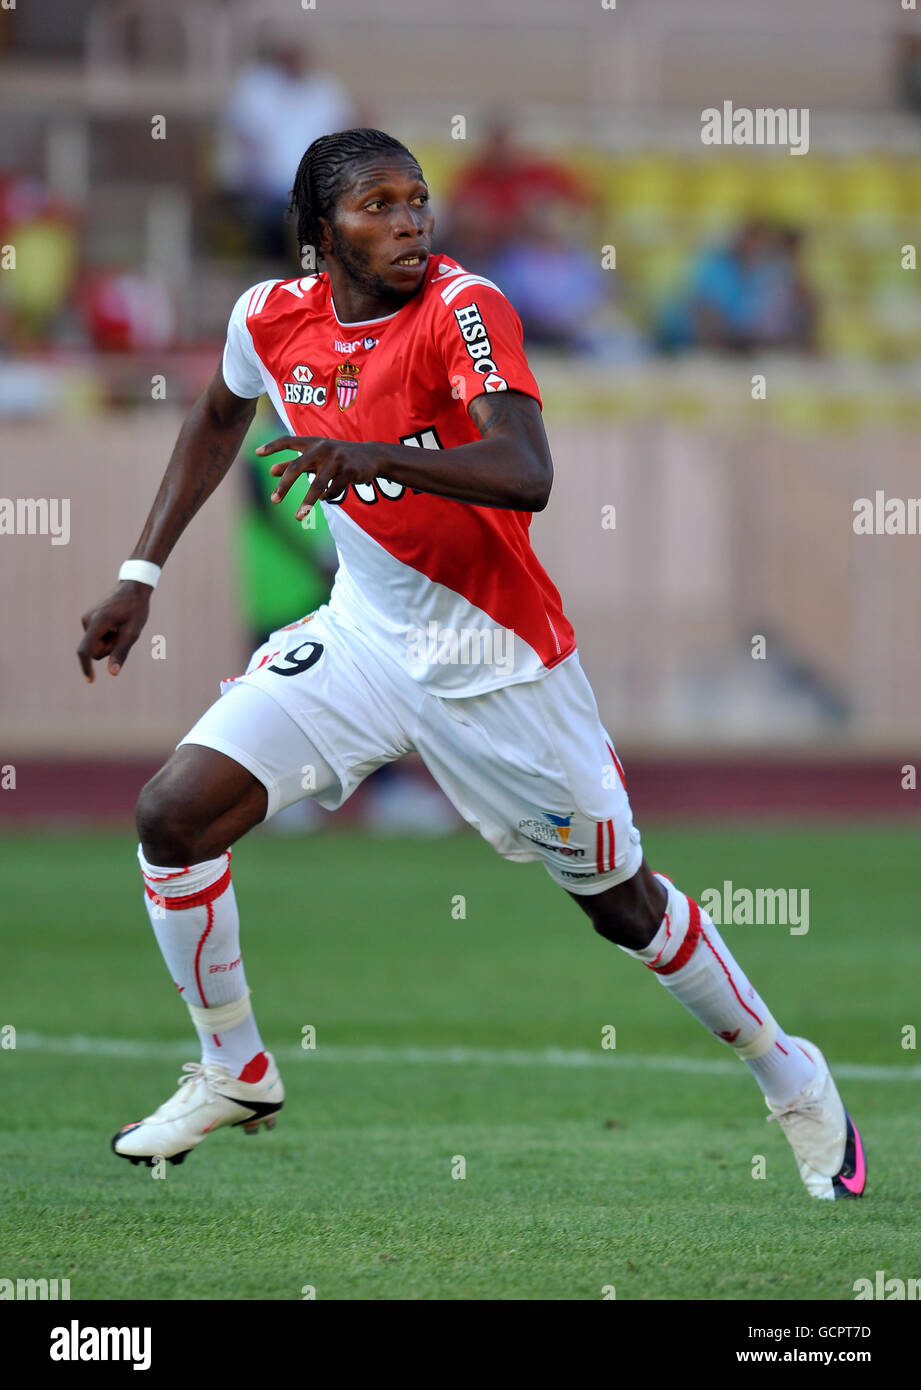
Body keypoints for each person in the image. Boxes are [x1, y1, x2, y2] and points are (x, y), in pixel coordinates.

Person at [77, 130, 865, 1201]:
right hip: (362, 638)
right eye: (378, 206)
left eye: (417, 200)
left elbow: (526, 470)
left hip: (494, 659)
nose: (409, 222)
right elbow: (218, 417)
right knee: (173, 813)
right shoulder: (267, 317)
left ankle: (790, 1071)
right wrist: (140, 570)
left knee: (618, 900)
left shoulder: (463, 307)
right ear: (320, 232)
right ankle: (235, 1065)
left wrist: (377, 454)